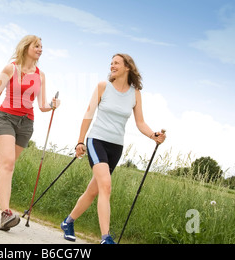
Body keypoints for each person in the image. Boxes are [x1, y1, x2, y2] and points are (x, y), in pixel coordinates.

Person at [60, 53, 166, 244]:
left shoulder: (135, 94)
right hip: (96, 141)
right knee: (106, 186)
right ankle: (106, 238)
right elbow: (88, 114)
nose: (112, 66)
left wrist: (153, 136)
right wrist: (80, 141)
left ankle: (68, 222)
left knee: (93, 191)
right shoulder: (103, 87)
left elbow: (140, 122)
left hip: (116, 147)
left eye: (116, 63)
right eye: (111, 63)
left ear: (127, 67)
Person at [0, 35, 60, 231]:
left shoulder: (41, 75)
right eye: (36, 46)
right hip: (5, 117)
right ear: (26, 47)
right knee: (8, 163)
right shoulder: (10, 68)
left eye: (41, 46)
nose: (40, 49)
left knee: (4, 166)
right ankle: (6, 213)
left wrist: (52, 105)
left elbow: (41, 105)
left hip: (26, 123)